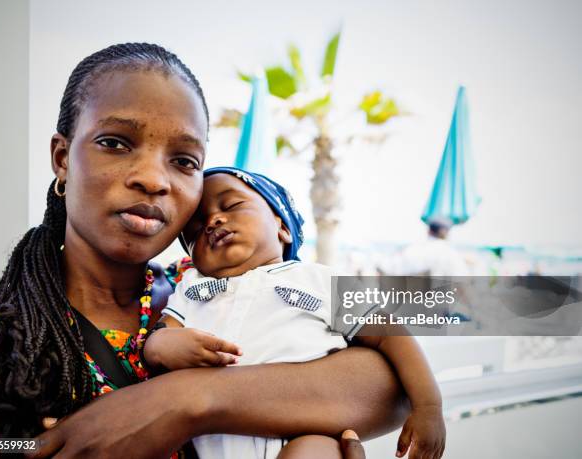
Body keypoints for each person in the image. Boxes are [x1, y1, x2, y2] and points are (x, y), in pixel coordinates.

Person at [0, 43, 409, 458]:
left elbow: (394, 380)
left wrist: (184, 400)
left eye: (183, 161)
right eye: (115, 143)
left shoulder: (218, 284)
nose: (152, 178)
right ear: (63, 158)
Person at [143, 167, 446, 459]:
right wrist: (164, 345)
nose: (212, 221)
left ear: (283, 228)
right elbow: (159, 336)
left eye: (232, 205)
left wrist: (429, 407)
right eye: (195, 229)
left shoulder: (318, 279)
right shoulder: (191, 289)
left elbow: (388, 333)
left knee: (319, 450)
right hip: (210, 441)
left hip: (301, 435)